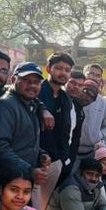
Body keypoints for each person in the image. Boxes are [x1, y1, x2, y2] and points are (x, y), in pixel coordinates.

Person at [0, 62, 54, 210]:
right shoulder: (5, 106)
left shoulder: (31, 105)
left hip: (22, 182)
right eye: (26, 80)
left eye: (36, 82)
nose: (32, 85)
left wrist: (41, 154)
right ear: (13, 80)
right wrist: (29, 170)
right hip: (7, 183)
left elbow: (24, 141)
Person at [38, 53, 78, 191]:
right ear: (48, 69)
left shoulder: (66, 99)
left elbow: (66, 131)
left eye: (67, 70)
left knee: (45, 202)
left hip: (56, 161)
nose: (63, 73)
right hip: (36, 161)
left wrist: (63, 159)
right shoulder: (37, 92)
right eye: (59, 68)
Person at [75, 75, 106, 161]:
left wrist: (97, 136)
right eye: (92, 73)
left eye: (98, 75)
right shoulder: (74, 97)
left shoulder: (103, 102)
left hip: (92, 152)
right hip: (72, 149)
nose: (87, 98)